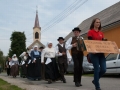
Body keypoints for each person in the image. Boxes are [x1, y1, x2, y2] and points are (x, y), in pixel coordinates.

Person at [87, 18, 106, 90]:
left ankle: (95, 80)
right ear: (93, 23)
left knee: (104, 69)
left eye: (99, 22)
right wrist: (92, 50)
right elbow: (90, 42)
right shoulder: (90, 32)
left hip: (101, 53)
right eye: (97, 22)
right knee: (97, 69)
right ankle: (97, 87)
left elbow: (103, 44)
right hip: (94, 53)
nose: (98, 23)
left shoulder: (101, 33)